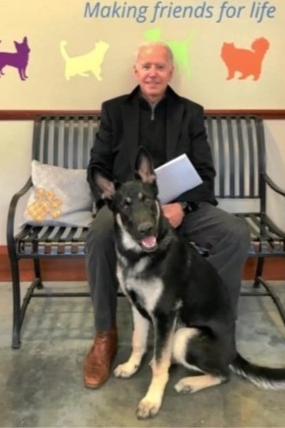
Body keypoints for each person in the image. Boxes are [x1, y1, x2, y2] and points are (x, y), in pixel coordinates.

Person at [82, 42, 249, 389]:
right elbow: (97, 165)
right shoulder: (114, 111)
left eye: (160, 66)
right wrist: (114, 200)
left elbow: (205, 172)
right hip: (129, 209)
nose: (152, 73)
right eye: (146, 66)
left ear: (171, 71)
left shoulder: (190, 112)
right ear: (136, 71)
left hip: (180, 206)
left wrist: (182, 207)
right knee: (99, 235)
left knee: (234, 233)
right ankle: (104, 335)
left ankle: (214, 328)